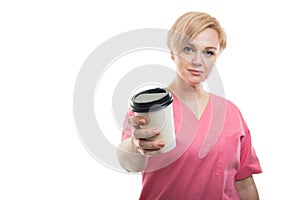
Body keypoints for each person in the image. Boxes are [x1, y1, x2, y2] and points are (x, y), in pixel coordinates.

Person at [117, 11, 262, 199]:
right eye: (188, 49)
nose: (197, 61)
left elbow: (244, 182)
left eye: (208, 52)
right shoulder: (150, 108)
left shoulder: (231, 113)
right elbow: (129, 163)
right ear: (172, 52)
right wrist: (136, 146)